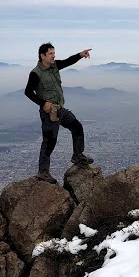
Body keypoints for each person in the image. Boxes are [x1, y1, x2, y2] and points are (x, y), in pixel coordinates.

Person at [24, 42, 94, 183]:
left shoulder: (54, 66)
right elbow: (28, 92)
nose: (53, 56)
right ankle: (43, 171)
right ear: (42, 56)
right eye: (50, 53)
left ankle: (77, 155)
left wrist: (80, 55)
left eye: (54, 53)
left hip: (60, 109)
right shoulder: (36, 73)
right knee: (50, 141)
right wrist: (43, 103)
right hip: (49, 113)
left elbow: (68, 61)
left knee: (77, 127)